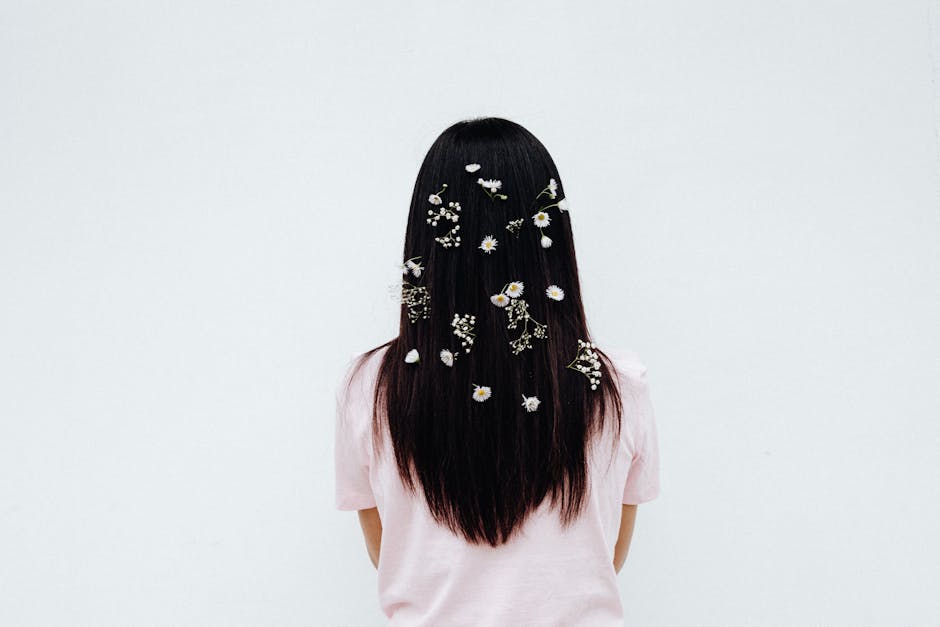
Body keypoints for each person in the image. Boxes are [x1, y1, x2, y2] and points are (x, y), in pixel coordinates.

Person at [333, 117, 660, 625]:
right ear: (549, 239)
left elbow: (387, 554)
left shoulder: (369, 386)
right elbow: (607, 554)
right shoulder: (617, 383)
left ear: (425, 237)